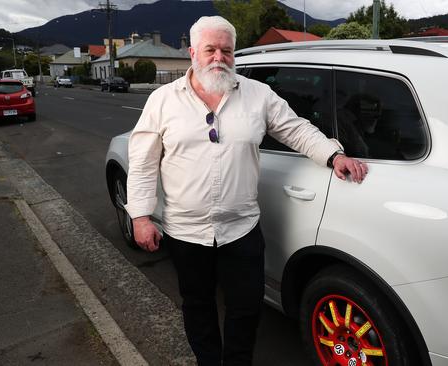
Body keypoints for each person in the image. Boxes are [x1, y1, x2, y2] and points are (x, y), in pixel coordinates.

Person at [125, 16, 368, 366]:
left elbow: (295, 129)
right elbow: (144, 162)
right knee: (198, 305)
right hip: (186, 231)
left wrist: (333, 154)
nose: (218, 58)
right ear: (193, 52)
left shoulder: (258, 95)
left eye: (226, 50)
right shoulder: (164, 100)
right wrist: (141, 216)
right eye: (210, 50)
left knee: (246, 307)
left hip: (241, 229)